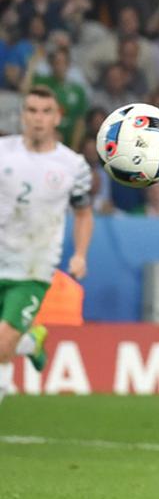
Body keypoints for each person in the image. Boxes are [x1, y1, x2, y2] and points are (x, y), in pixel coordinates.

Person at [0, 86, 94, 398]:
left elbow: (83, 213)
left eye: (45, 112)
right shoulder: (3, 153)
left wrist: (80, 254)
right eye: (31, 111)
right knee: (7, 343)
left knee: (2, 344)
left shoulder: (73, 166)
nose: (38, 118)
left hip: (32, 269)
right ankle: (30, 342)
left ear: (57, 117)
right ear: (22, 115)